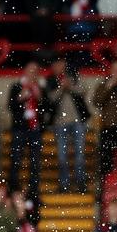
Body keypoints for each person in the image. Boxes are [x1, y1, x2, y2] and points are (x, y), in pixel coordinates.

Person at [45, 59, 90, 193]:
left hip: (77, 122)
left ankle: (80, 183)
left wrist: (70, 86)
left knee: (80, 155)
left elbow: (84, 90)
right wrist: (61, 88)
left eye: (61, 63)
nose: (59, 66)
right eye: (56, 64)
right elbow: (49, 98)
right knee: (62, 156)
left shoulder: (74, 75)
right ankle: (64, 185)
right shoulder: (51, 80)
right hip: (59, 123)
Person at [6, 62, 46, 200]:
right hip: (20, 128)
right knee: (16, 159)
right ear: (25, 72)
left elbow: (47, 107)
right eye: (30, 71)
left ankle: (33, 191)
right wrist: (20, 98)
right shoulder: (16, 86)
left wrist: (39, 97)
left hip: (35, 129)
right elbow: (11, 106)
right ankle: (13, 189)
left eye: (35, 71)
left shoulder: (40, 87)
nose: (32, 74)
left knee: (35, 162)